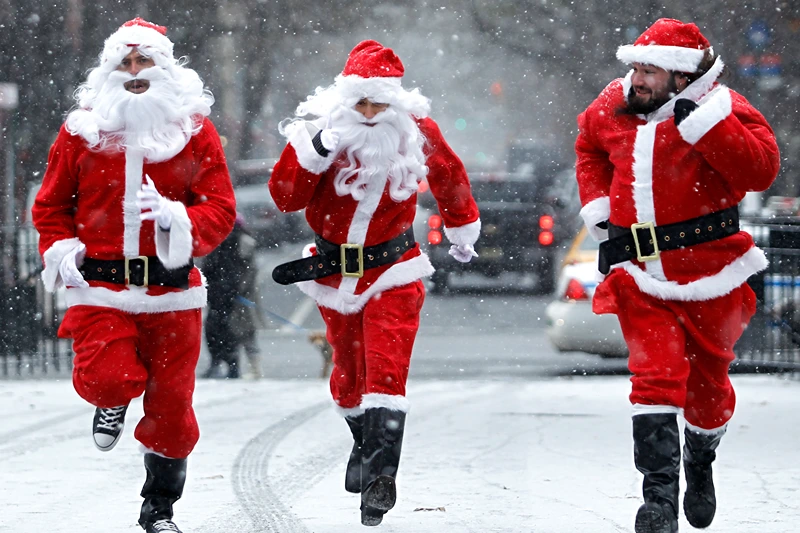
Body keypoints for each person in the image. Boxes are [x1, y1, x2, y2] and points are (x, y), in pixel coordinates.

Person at [574, 18, 780, 533]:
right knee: (654, 379)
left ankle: (701, 457)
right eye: (635, 68)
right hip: (640, 276)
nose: (636, 80)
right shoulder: (613, 105)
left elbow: (760, 170)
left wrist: (707, 128)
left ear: (683, 78)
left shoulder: (723, 109)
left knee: (708, 395)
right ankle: (658, 500)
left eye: (650, 71)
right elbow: (588, 146)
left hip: (713, 276)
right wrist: (599, 207)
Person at [32, 18, 236, 533]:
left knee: (172, 411)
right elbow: (51, 205)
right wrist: (59, 249)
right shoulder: (81, 130)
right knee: (108, 376)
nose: (134, 72)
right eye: (124, 63)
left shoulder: (194, 130)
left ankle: (159, 508)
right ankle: (110, 401)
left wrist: (177, 219)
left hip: (172, 293)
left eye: (144, 61)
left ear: (166, 70)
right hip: (100, 287)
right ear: (108, 71)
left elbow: (220, 207)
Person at [269, 40, 480, 526]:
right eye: (359, 103)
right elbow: (284, 197)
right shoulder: (319, 136)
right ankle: (364, 445)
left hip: (394, 269)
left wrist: (462, 224)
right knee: (347, 377)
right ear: (344, 102)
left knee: (387, 369)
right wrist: (316, 153)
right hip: (332, 271)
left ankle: (381, 477)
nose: (368, 114)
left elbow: (449, 175)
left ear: (396, 103)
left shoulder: (416, 133)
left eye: (378, 103)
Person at [201, 214, 263, 379]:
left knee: (232, 331)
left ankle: (232, 366)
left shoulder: (227, 241)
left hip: (232, 297)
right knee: (230, 331)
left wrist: (236, 290)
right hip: (226, 295)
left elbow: (248, 271)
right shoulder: (220, 241)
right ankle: (230, 366)